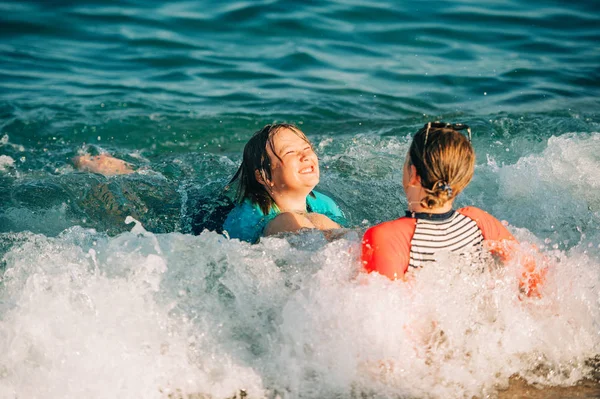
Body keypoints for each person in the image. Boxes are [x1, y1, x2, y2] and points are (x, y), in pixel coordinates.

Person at [361, 122, 543, 296]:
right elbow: (534, 277)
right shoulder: (478, 222)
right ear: (464, 178)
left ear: (414, 175)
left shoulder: (385, 237)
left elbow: (388, 320)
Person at [222, 123, 346, 243]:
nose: (305, 156)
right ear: (264, 176)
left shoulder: (325, 205)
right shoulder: (247, 216)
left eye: (307, 148)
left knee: (320, 221)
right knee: (286, 220)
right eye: (290, 152)